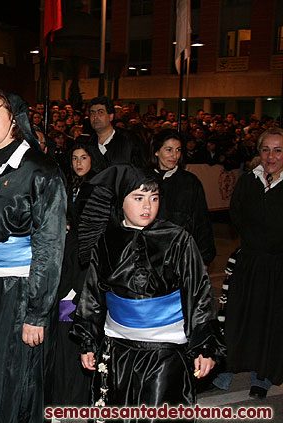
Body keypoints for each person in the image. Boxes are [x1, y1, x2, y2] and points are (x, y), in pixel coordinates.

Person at [73, 165, 224, 423]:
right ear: (121, 201)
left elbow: (198, 293)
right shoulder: (107, 240)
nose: (148, 206)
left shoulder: (177, 239)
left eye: (154, 198)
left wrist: (204, 345)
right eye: (138, 198)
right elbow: (93, 295)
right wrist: (88, 341)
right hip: (117, 347)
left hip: (164, 348)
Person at [0, 89, 67, 423]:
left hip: (18, 291)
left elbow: (50, 245)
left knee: (13, 377)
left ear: (15, 122)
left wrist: (36, 312)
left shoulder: (40, 169)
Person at [216, 128, 283, 398]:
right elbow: (237, 214)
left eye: (278, 150)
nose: (271, 156)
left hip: (277, 267)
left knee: (268, 322)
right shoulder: (248, 181)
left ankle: (261, 378)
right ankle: (224, 372)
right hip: (248, 263)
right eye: (266, 149)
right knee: (235, 318)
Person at [45, 141, 97, 418]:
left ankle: (77, 393)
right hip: (68, 252)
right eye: (74, 158)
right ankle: (64, 391)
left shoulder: (98, 188)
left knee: (75, 321)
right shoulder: (69, 185)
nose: (78, 163)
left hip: (84, 261)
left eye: (84, 157)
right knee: (64, 328)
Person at [150, 130, 216, 265]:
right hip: (150, 254)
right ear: (157, 151)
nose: (174, 155)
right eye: (169, 150)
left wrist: (204, 257)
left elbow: (201, 220)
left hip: (180, 254)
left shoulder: (190, 182)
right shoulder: (143, 179)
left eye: (178, 150)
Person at [87, 96, 148, 173]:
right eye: (92, 113)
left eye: (100, 112)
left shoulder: (129, 140)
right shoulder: (88, 144)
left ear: (111, 116)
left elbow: (142, 169)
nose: (95, 117)